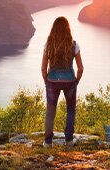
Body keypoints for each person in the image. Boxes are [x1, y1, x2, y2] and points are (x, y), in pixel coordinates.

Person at [41, 16, 84, 147]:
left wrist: (47, 81)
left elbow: (43, 68)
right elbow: (80, 68)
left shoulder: (48, 45)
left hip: (52, 81)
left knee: (50, 111)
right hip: (70, 81)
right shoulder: (74, 45)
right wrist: (76, 81)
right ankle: (69, 140)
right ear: (67, 29)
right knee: (71, 110)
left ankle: (48, 142)